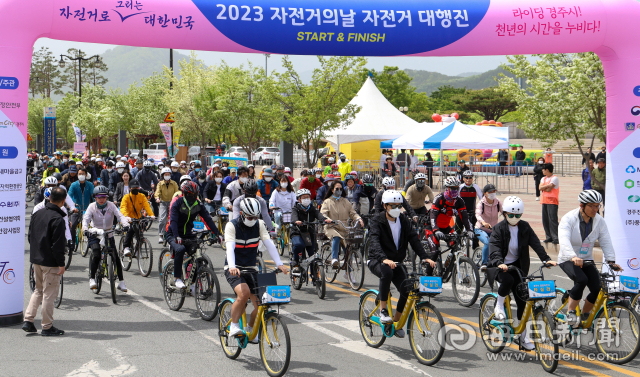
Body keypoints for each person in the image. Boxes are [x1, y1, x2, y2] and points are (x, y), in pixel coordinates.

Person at [488, 196, 556, 350]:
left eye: (517, 215)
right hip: (499, 266)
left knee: (523, 302)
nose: (514, 218)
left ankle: (523, 338)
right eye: (511, 215)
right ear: (505, 213)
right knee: (507, 281)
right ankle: (499, 305)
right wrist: (500, 263)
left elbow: (536, 243)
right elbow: (494, 247)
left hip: (518, 267)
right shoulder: (498, 228)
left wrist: (546, 259)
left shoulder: (525, 227)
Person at [368, 190, 436, 334]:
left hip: (396, 262)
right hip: (376, 259)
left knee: (407, 288)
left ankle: (395, 323)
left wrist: (425, 256)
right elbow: (374, 241)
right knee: (386, 272)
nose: (396, 209)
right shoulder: (377, 220)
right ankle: (383, 310)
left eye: (399, 206)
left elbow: (414, 239)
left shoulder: (404, 220)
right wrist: (383, 258)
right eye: (393, 206)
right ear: (385, 206)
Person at [224, 198, 288, 338]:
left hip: (251, 267)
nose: (253, 219)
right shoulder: (232, 226)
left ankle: (251, 329)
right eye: (249, 217)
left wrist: (279, 264)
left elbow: (269, 244)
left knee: (262, 304)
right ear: (241, 213)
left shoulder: (259, 224)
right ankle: (234, 326)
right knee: (244, 293)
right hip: (234, 267)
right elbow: (230, 248)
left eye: (255, 216)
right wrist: (233, 267)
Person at [558, 190, 619, 325]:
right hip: (568, 258)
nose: (595, 209)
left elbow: (605, 240)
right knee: (582, 280)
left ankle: (585, 316)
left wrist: (611, 260)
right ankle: (571, 312)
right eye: (591, 205)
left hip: (586, 258)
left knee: (598, 288)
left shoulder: (599, 221)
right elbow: (563, 239)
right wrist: (572, 256)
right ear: (582, 205)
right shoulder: (568, 218)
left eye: (597, 206)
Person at [24, 187, 68, 336]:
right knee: (49, 294)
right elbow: (58, 245)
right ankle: (47, 326)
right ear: (63, 201)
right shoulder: (58, 218)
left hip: (36, 259)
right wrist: (61, 263)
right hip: (50, 262)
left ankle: (28, 320)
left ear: (49, 198)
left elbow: (30, 236)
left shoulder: (37, 213)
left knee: (38, 290)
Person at [167, 181, 221, 289]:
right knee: (180, 250)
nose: (192, 197)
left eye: (194, 195)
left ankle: (191, 284)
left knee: (198, 256)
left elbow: (208, 219)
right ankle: (177, 278)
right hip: (173, 234)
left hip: (188, 234)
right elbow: (173, 221)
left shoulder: (198, 204)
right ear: (184, 194)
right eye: (189, 195)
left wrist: (217, 234)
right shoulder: (178, 203)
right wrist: (177, 236)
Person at [84, 186, 131, 291]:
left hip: (109, 233)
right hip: (95, 233)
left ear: (107, 197)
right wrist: (85, 229)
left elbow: (120, 216)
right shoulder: (91, 207)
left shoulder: (111, 206)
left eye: (104, 197)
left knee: (115, 257)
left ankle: (122, 282)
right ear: (95, 197)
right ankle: (92, 278)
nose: (101, 199)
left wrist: (125, 224)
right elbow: (86, 219)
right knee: (96, 253)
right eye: (99, 197)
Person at [423, 177, 473, 274]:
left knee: (455, 245)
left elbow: (465, 217)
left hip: (446, 228)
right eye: (452, 188)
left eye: (457, 188)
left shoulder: (459, 201)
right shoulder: (439, 199)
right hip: (432, 227)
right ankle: (428, 275)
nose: (455, 190)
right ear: (447, 188)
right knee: (435, 252)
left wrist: (470, 230)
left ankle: (446, 269)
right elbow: (432, 216)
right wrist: (436, 230)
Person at [320, 179, 364, 269]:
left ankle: (348, 271)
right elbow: (323, 214)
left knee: (349, 247)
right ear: (332, 189)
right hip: (331, 227)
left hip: (344, 227)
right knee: (336, 237)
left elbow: (352, 213)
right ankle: (334, 259)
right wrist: (327, 220)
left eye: (340, 189)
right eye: (337, 189)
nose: (339, 191)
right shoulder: (327, 201)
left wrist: (359, 218)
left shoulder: (345, 201)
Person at [290, 189, 330, 267]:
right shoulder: (295, 208)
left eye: (308, 197)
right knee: (299, 245)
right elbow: (294, 217)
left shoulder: (312, 208)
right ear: (299, 199)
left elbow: (319, 215)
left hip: (309, 233)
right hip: (297, 233)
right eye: (304, 197)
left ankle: (315, 276)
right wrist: (296, 221)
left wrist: (325, 220)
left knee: (313, 255)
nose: (306, 199)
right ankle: (295, 259)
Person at [32, 188, 74, 260]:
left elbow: (66, 225)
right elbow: (32, 227)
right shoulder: (38, 207)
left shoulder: (62, 209)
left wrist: (69, 239)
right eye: (48, 201)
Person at [120, 179, 156, 256]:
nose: (135, 189)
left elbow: (147, 206)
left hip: (137, 218)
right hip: (128, 218)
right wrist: (126, 216)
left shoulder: (142, 196)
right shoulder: (126, 197)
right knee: (131, 230)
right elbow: (123, 208)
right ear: (130, 188)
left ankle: (138, 246)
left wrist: (151, 215)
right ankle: (126, 247)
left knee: (143, 224)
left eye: (137, 188)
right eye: (134, 188)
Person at [475, 184, 502, 270]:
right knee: (487, 242)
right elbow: (478, 215)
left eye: (494, 191)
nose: (492, 193)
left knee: (500, 243)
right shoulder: (481, 203)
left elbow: (504, 212)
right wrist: (483, 222)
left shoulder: (497, 202)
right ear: (485, 193)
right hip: (480, 229)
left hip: (492, 229)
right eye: (490, 192)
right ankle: (484, 264)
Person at [68, 168, 95, 252]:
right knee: (72, 226)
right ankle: (71, 243)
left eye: (83, 174)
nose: (81, 175)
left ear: (86, 175)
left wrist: (95, 205)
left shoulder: (90, 185)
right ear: (77, 175)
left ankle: (92, 243)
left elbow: (94, 196)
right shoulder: (74, 185)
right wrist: (72, 206)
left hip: (87, 209)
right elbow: (69, 196)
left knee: (92, 227)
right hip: (76, 208)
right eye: (79, 174)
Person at [457, 170, 483, 244]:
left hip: (472, 212)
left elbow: (481, 199)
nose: (468, 179)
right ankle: (457, 248)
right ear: (463, 178)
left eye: (470, 177)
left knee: (474, 231)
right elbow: (456, 200)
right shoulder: (460, 187)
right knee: (458, 231)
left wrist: (481, 209)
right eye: (466, 177)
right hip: (461, 212)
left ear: (472, 178)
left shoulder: (476, 187)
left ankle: (476, 249)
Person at [156, 167, 180, 244]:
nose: (167, 175)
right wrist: (157, 198)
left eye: (168, 174)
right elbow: (157, 192)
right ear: (163, 175)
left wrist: (178, 198)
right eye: (165, 174)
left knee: (173, 219)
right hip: (163, 202)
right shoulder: (160, 184)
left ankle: (174, 234)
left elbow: (177, 192)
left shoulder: (174, 183)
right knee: (162, 219)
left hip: (172, 203)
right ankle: (161, 235)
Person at [539, 163, 560, 249]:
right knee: (545, 220)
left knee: (553, 220)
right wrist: (545, 187)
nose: (542, 170)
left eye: (543, 169)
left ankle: (556, 237)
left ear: (547, 170)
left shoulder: (554, 178)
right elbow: (540, 188)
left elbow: (549, 188)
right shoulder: (543, 178)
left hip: (552, 201)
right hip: (544, 201)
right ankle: (548, 237)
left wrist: (545, 187)